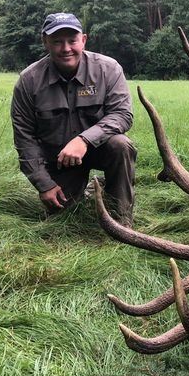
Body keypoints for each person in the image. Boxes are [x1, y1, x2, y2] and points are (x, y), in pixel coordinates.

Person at [11, 12, 136, 225]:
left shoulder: (108, 69)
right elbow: (25, 139)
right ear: (45, 42)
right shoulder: (29, 81)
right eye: (57, 42)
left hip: (100, 149)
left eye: (72, 40)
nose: (66, 48)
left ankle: (121, 220)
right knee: (64, 218)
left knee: (121, 145)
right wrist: (45, 185)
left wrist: (84, 140)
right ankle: (92, 188)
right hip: (60, 160)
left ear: (83, 40)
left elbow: (122, 114)